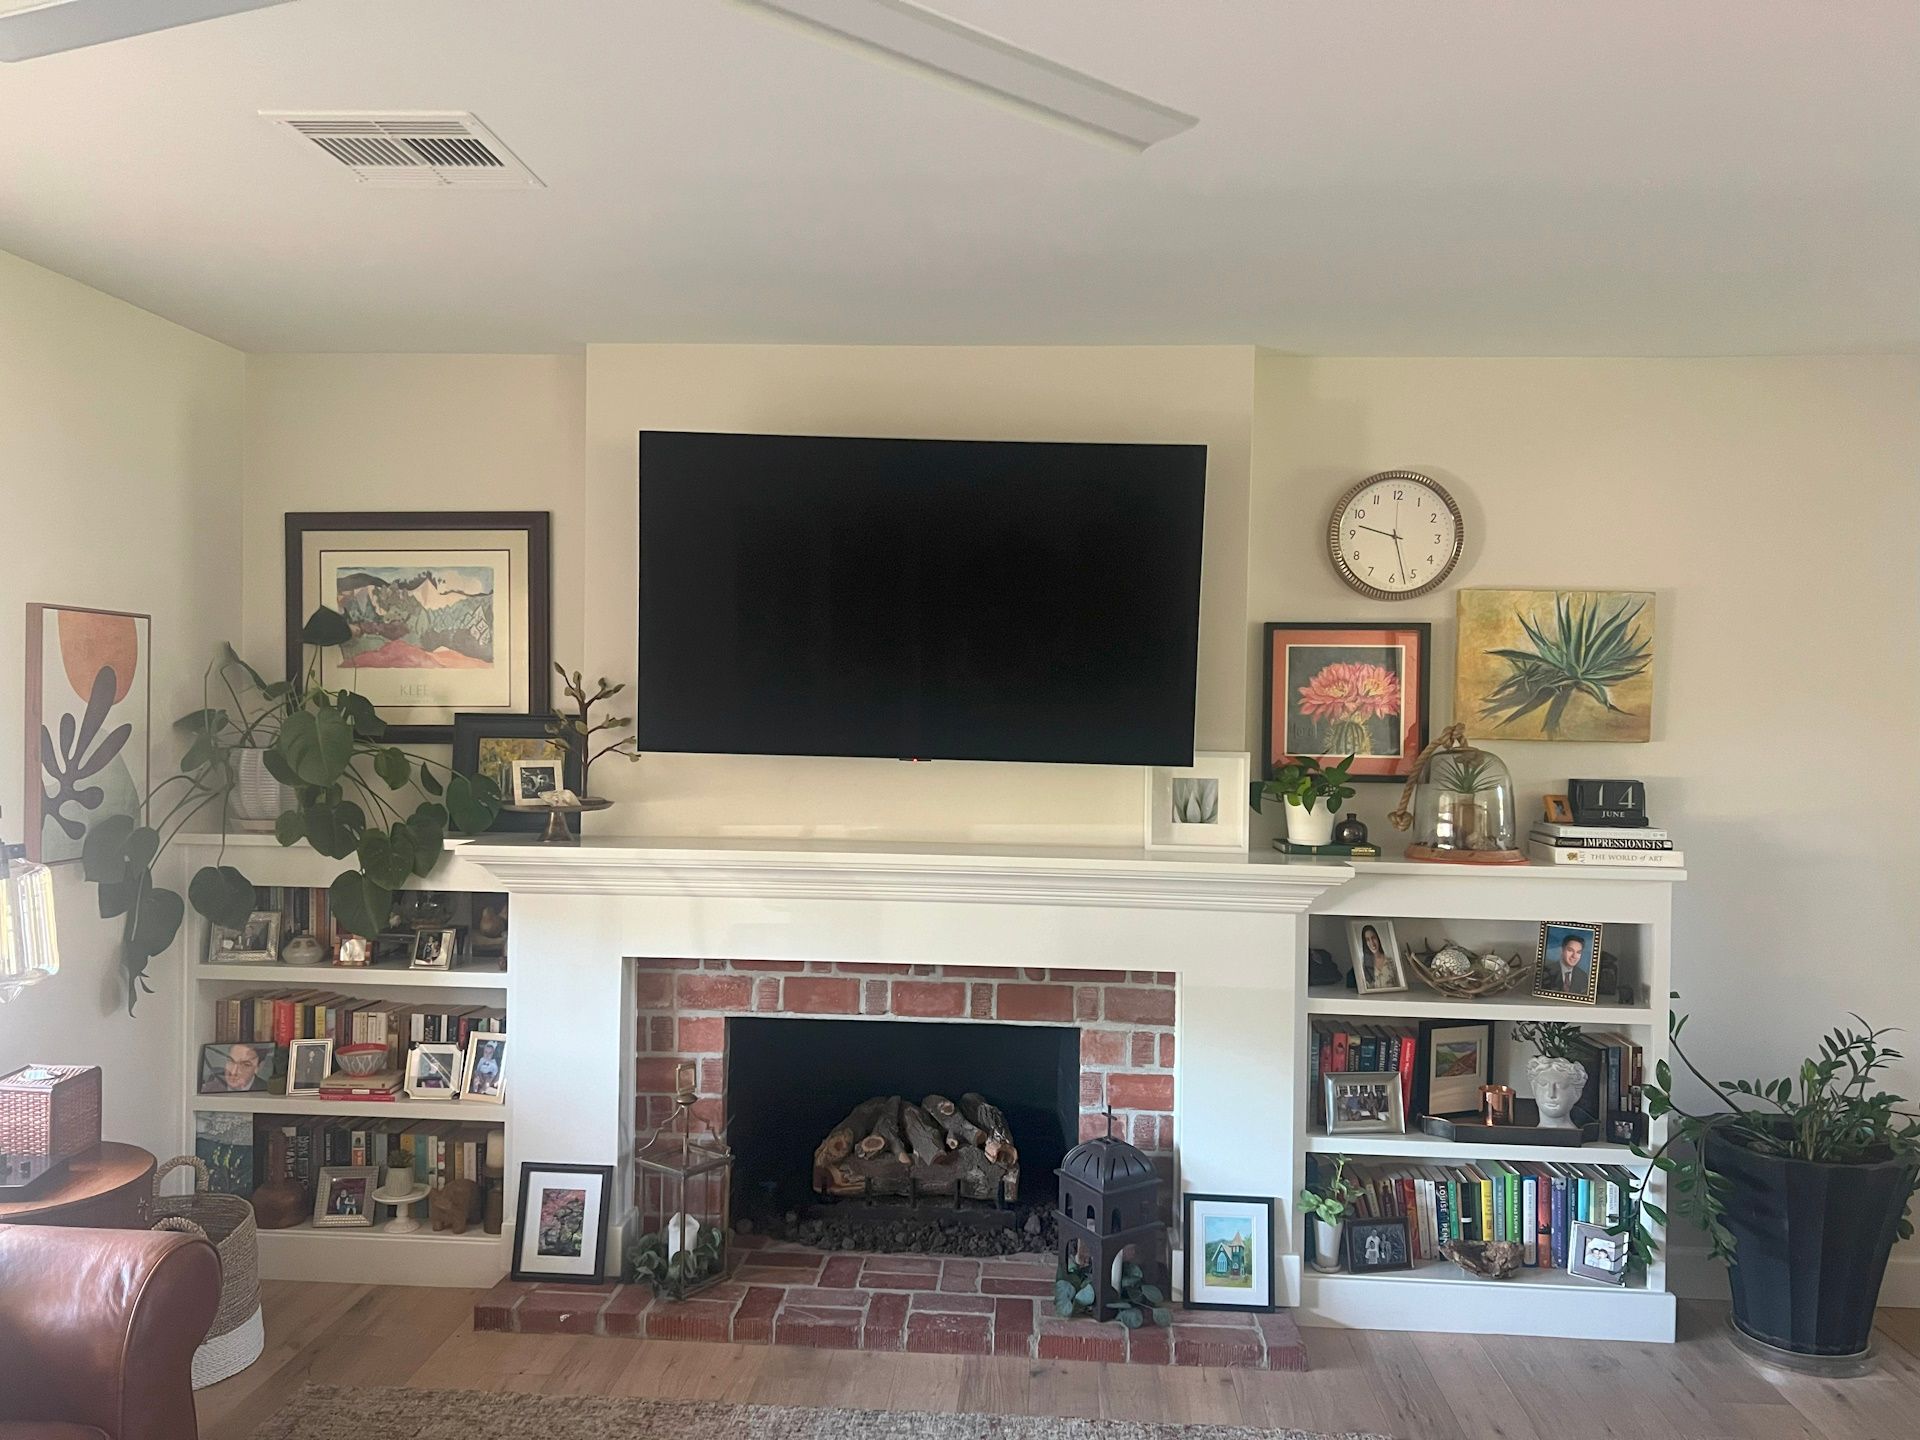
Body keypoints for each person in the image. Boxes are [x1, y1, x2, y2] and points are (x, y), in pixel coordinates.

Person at [1357, 924, 1397, 989]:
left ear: (1378, 938)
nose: (1372, 943)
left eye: (1373, 938)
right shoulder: (1363, 965)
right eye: (1368, 940)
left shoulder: (1391, 961)